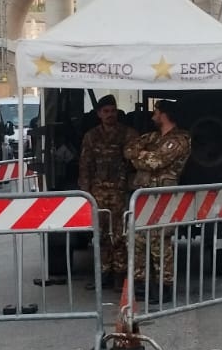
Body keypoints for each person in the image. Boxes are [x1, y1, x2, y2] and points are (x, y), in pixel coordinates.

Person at [125, 100, 191, 303]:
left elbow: (157, 161)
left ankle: (164, 288)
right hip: (144, 195)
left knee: (160, 242)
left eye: (156, 111)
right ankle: (140, 286)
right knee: (137, 240)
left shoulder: (180, 139)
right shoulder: (153, 137)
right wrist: (143, 156)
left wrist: (141, 158)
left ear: (164, 115)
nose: (153, 115)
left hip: (163, 197)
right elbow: (128, 150)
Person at [78, 95, 134, 289]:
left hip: (119, 192)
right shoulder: (91, 136)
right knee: (101, 235)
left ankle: (120, 275)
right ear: (99, 114)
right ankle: (103, 273)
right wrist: (85, 192)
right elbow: (85, 165)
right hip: (98, 192)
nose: (110, 115)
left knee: (119, 235)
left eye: (113, 111)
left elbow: (134, 162)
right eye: (106, 111)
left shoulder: (128, 134)